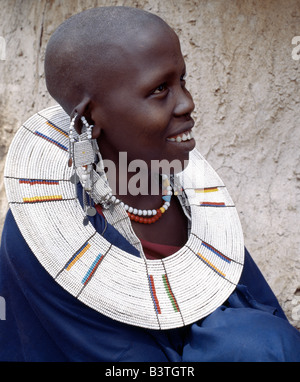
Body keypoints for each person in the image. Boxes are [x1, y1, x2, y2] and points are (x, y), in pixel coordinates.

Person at [1, 6, 300, 362]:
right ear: (90, 119)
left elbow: (256, 306)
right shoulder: (45, 236)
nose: (187, 104)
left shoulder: (188, 201)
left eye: (182, 81)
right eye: (160, 89)